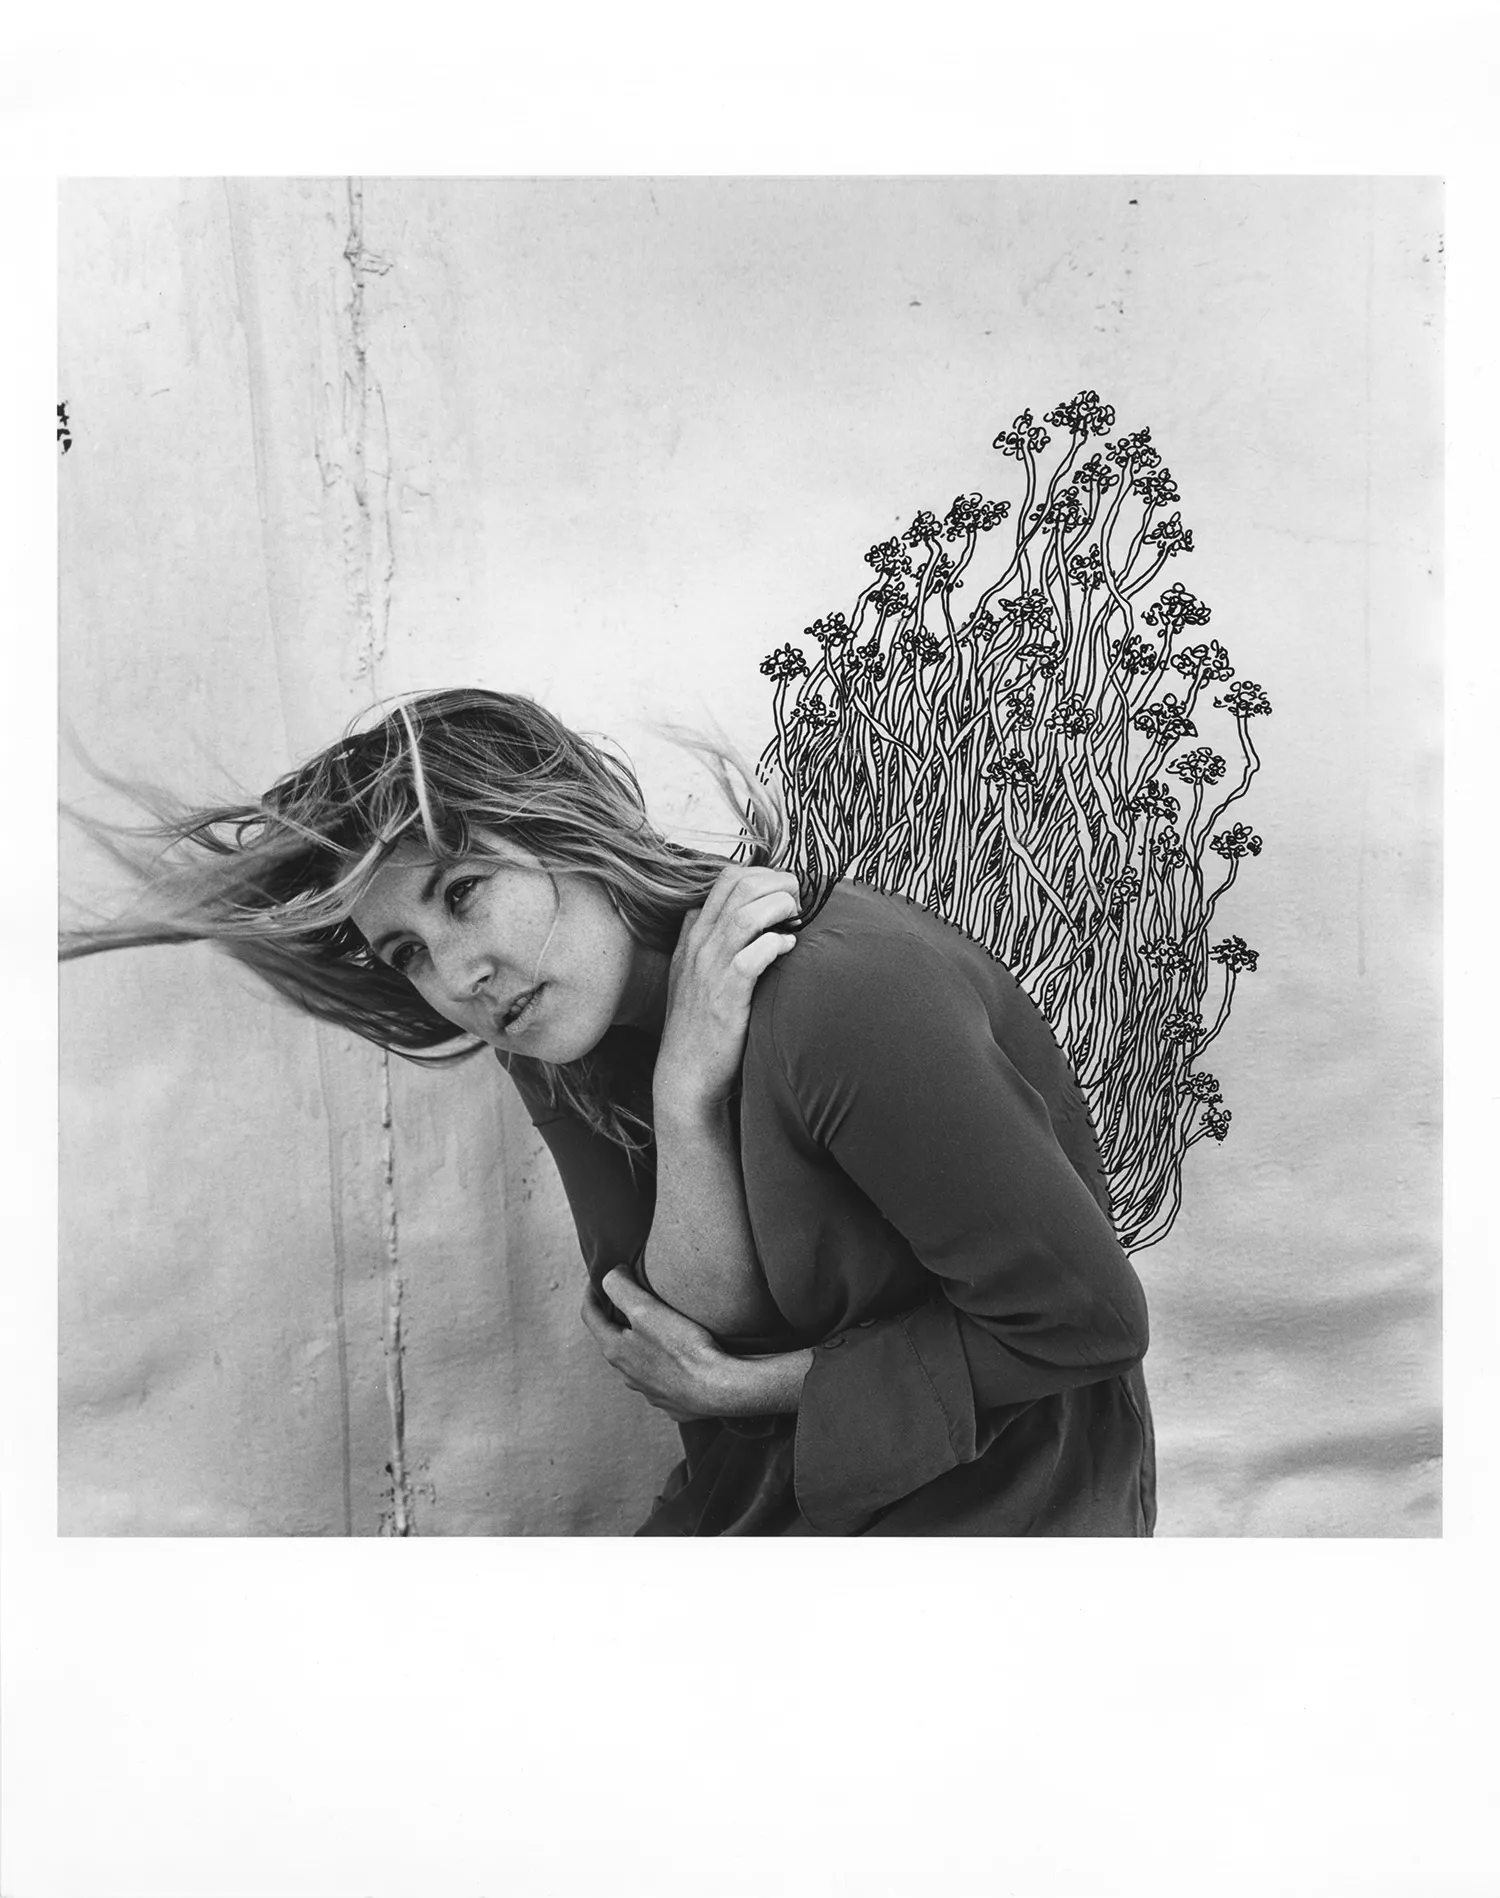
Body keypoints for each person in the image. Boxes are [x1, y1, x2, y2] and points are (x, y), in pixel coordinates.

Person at [63, 687, 1155, 1536]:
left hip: (1004, 1496)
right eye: (408, 953)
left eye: (463, 892)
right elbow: (674, 1330)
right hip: (772, 1489)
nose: (460, 976)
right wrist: (686, 1092)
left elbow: (1087, 1324)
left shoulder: (846, 997)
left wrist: (748, 1389)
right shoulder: (548, 1026)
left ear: (564, 824)